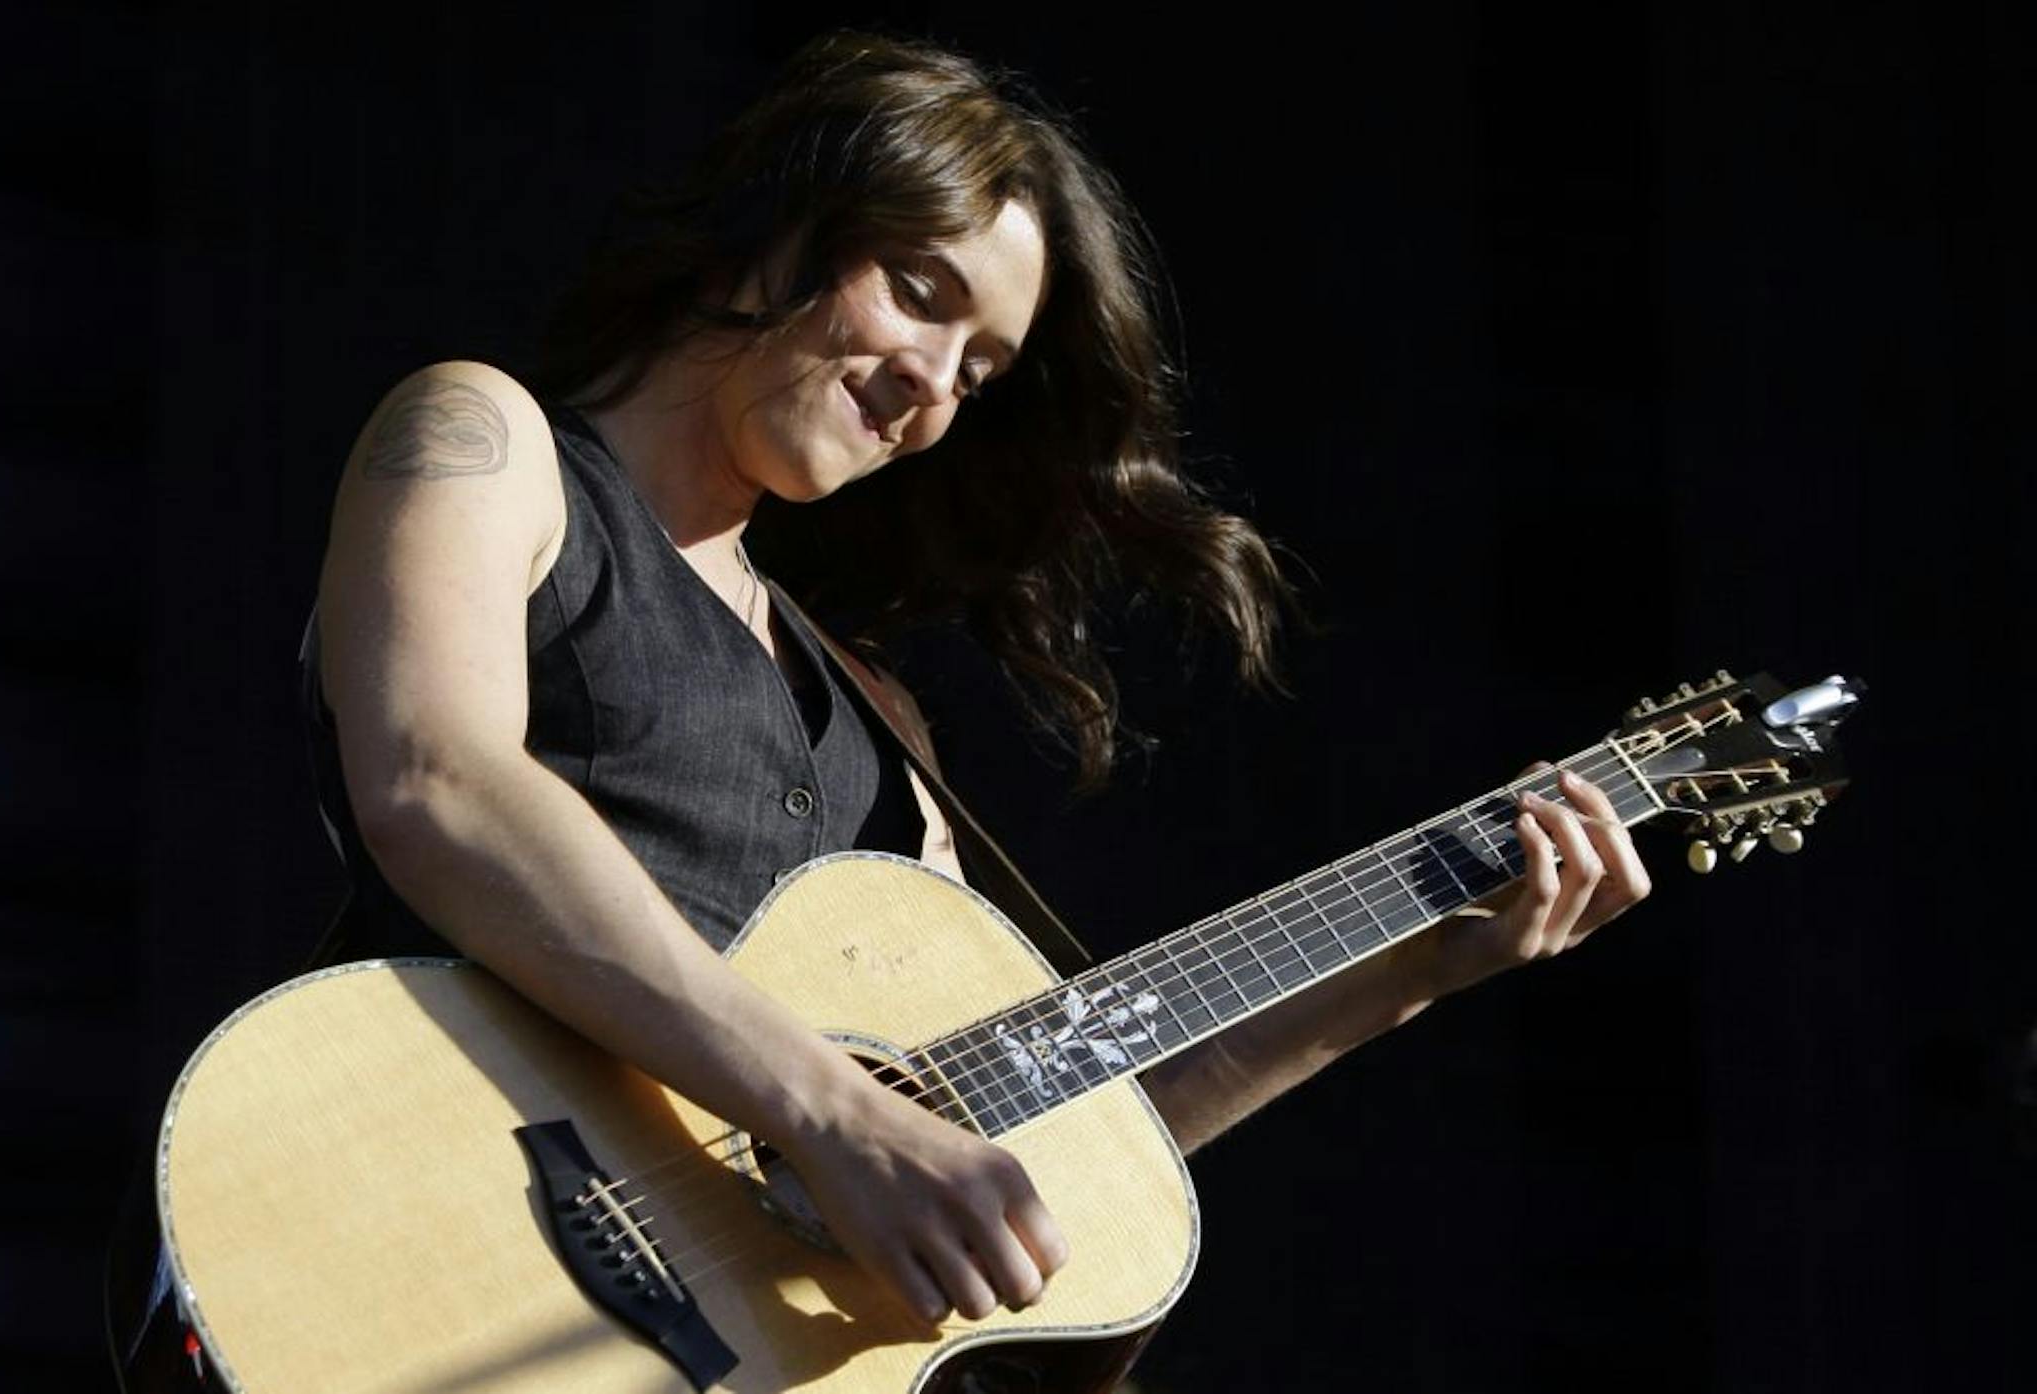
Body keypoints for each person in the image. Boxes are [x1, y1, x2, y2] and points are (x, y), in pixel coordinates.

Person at [126, 27, 1651, 1386]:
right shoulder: (491, 441)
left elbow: (1035, 1133)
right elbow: (436, 779)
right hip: (395, 1238)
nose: (931, 383)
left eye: (980, 374)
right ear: (781, 222)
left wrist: (1412, 966)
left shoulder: (875, 741)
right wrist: (834, 1117)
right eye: (920, 296)